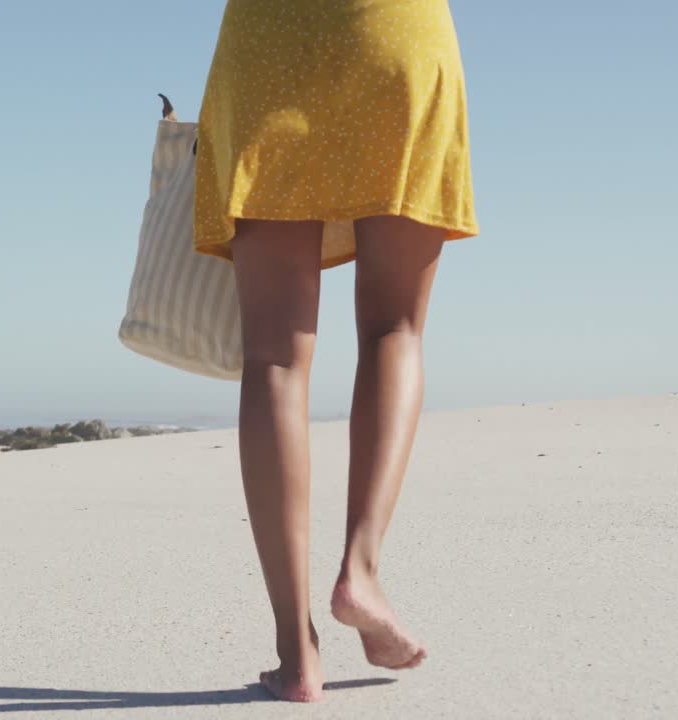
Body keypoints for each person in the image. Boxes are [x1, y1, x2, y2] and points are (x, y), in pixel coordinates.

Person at [192, 0, 479, 703]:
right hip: (395, 34)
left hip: (270, 45)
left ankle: (297, 657)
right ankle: (362, 567)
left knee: (275, 357)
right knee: (394, 330)